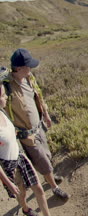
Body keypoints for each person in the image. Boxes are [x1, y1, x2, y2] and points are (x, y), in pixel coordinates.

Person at [4, 49, 69, 199]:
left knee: (46, 154)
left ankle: (49, 176)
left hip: (39, 127)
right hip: (26, 135)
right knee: (42, 159)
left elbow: (38, 96)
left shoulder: (29, 78)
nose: (31, 69)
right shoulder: (6, 86)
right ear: (19, 68)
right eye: (28, 66)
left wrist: (46, 115)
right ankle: (54, 186)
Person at [0, 76, 51, 216]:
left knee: (38, 189)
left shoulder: (3, 112)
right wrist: (9, 184)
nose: (6, 97)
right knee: (21, 193)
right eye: (3, 95)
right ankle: (25, 208)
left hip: (20, 156)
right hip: (8, 165)